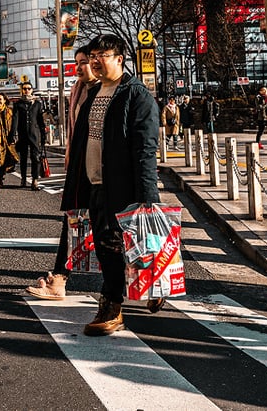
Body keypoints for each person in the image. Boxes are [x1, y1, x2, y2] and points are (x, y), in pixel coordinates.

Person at [64, 34, 161, 335]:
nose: (95, 60)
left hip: (123, 183)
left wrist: (147, 196)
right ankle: (118, 301)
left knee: (130, 242)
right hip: (95, 183)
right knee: (107, 246)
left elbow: (145, 150)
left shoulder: (137, 96)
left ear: (120, 59)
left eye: (102, 55)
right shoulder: (93, 93)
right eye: (92, 55)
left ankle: (128, 296)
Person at [29, 45, 95, 301]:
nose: (79, 67)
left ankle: (149, 278)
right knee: (74, 221)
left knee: (112, 228)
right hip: (81, 166)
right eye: (76, 62)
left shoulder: (105, 91)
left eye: (85, 61)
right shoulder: (78, 89)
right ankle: (58, 280)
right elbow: (76, 127)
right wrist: (70, 151)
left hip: (102, 170)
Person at [12, 83, 46, 189]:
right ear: (22, 90)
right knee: (23, 158)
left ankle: (35, 180)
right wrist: (13, 134)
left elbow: (40, 120)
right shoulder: (18, 104)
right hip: (22, 134)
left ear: (32, 90)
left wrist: (43, 135)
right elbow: (15, 120)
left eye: (28, 88)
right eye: (24, 89)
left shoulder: (37, 104)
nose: (26, 90)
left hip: (34, 134)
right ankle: (23, 178)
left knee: (35, 157)